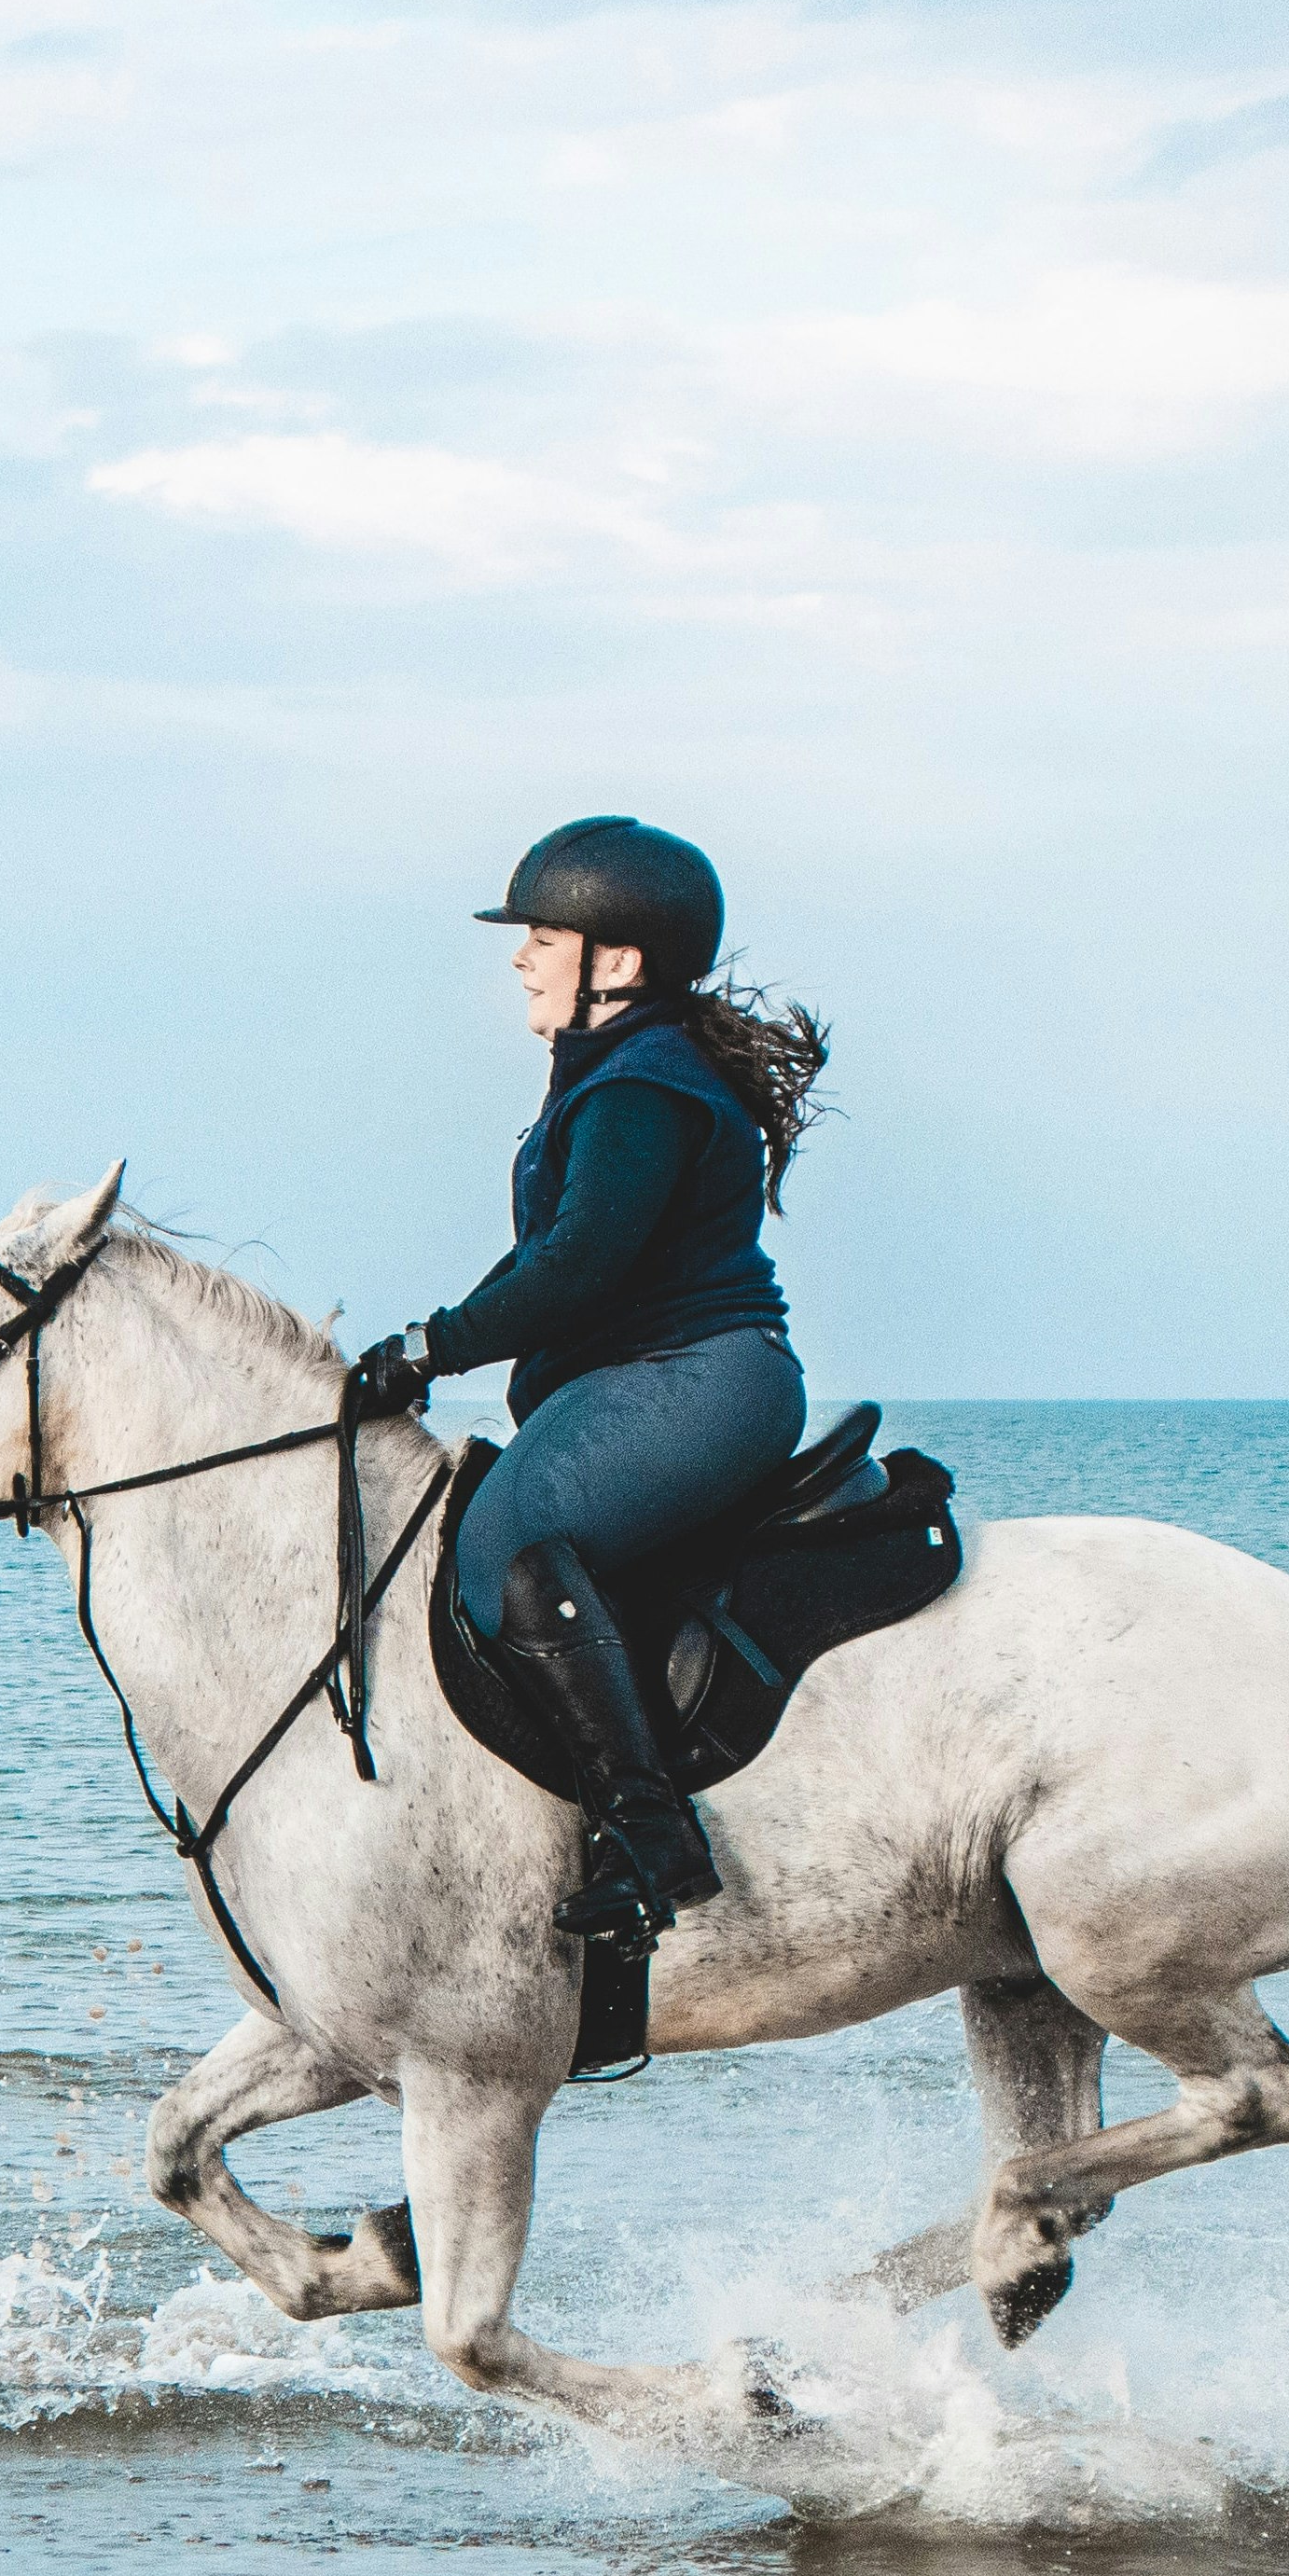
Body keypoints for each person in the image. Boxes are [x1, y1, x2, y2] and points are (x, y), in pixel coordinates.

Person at [350, 817, 830, 1951]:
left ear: (615, 960)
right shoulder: (616, 1073)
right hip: (659, 1377)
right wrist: (424, 1343)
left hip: (699, 1377)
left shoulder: (640, 1087)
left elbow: (578, 1268)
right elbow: (543, 1258)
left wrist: (431, 1349)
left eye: (542, 937)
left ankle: (650, 1837)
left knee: (504, 1547)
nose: (521, 957)